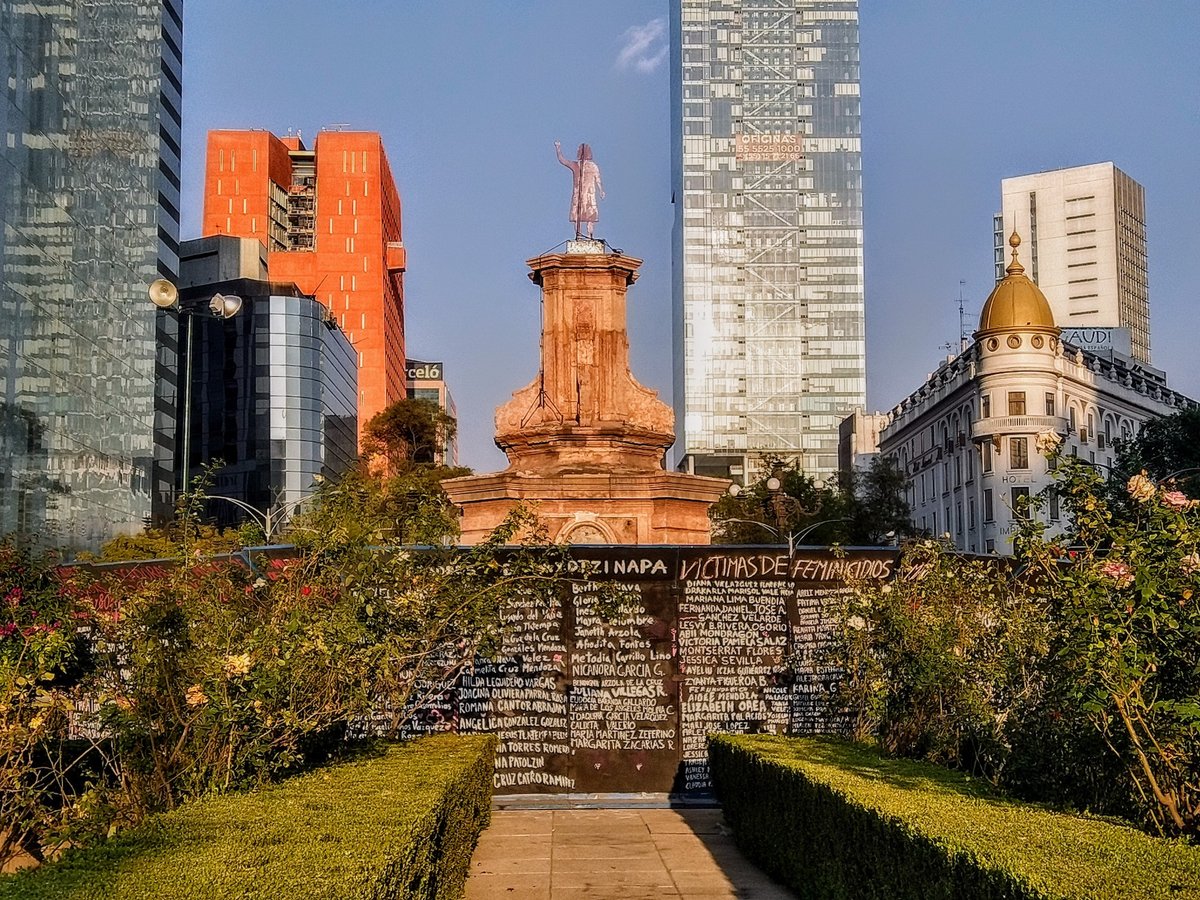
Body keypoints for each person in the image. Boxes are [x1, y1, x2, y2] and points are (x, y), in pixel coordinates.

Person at [555, 140, 604, 239]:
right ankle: (579, 235)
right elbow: (562, 160)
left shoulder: (593, 166)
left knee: (590, 215)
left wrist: (601, 190)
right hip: (579, 194)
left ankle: (590, 236)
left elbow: (597, 178)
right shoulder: (576, 165)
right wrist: (558, 149)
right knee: (577, 215)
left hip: (589, 194)